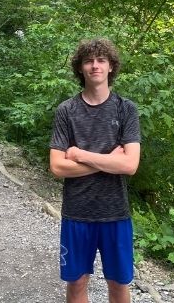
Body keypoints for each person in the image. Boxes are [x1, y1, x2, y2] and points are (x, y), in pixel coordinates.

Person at [49, 38, 142, 303]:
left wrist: (79, 155)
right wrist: (108, 161)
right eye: (89, 61)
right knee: (77, 284)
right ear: (80, 68)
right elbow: (57, 166)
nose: (95, 66)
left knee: (118, 285)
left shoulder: (126, 109)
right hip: (77, 213)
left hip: (116, 214)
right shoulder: (66, 111)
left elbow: (129, 165)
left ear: (111, 66)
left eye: (101, 60)